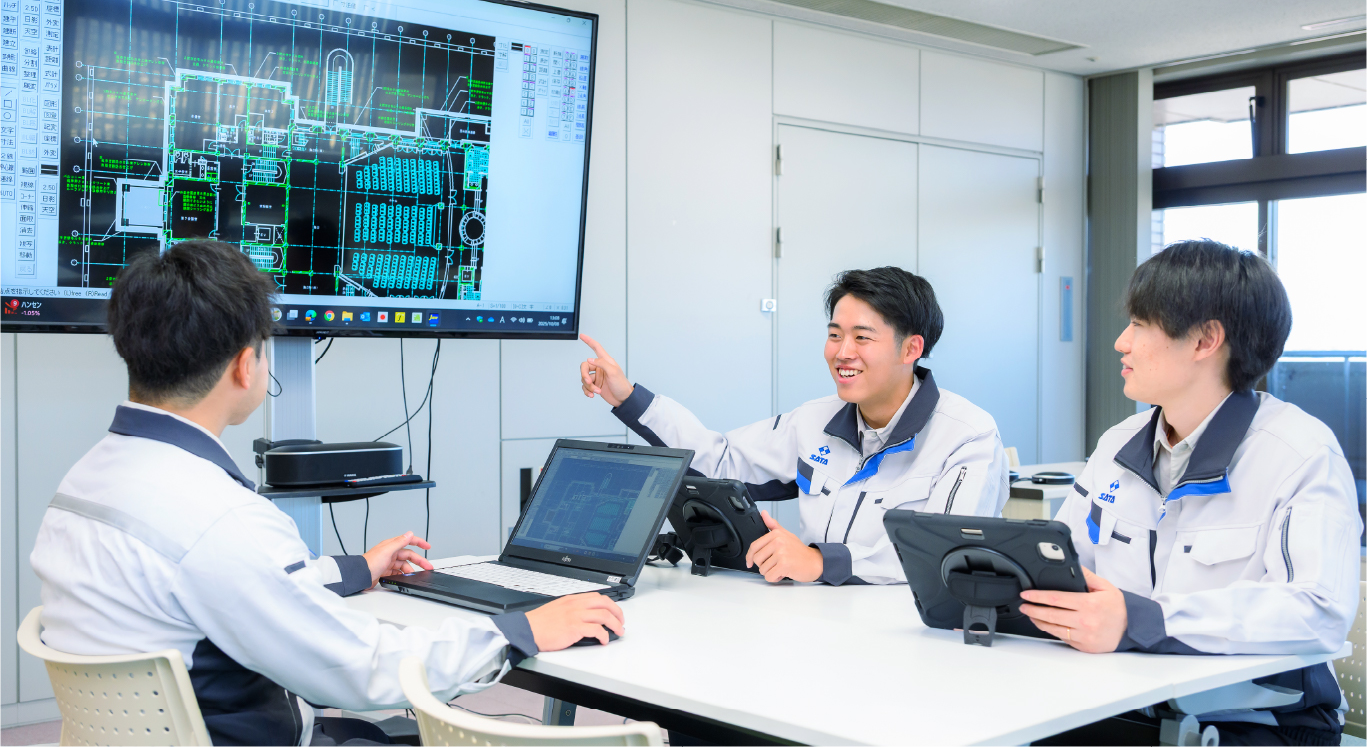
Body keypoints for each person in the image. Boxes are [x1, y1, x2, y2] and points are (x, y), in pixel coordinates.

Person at [30, 240, 624, 746]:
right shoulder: (219, 517)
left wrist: (356, 568)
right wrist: (521, 631)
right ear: (245, 365)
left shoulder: (88, 479)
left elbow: (225, 584)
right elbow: (358, 670)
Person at [1019, 240, 1360, 746]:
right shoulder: (1117, 445)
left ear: (1205, 340)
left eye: (1140, 324)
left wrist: (1144, 621)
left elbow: (1318, 610)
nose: (1121, 342)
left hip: (1260, 721)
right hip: (1122, 702)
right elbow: (1061, 561)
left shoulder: (1300, 452)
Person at [580, 266, 1009, 586]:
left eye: (862, 337)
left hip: (914, 637)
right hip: (817, 622)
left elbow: (945, 551)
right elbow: (721, 460)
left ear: (910, 349)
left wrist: (822, 562)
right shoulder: (815, 419)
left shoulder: (967, 435)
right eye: (835, 334)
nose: (842, 352)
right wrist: (626, 395)